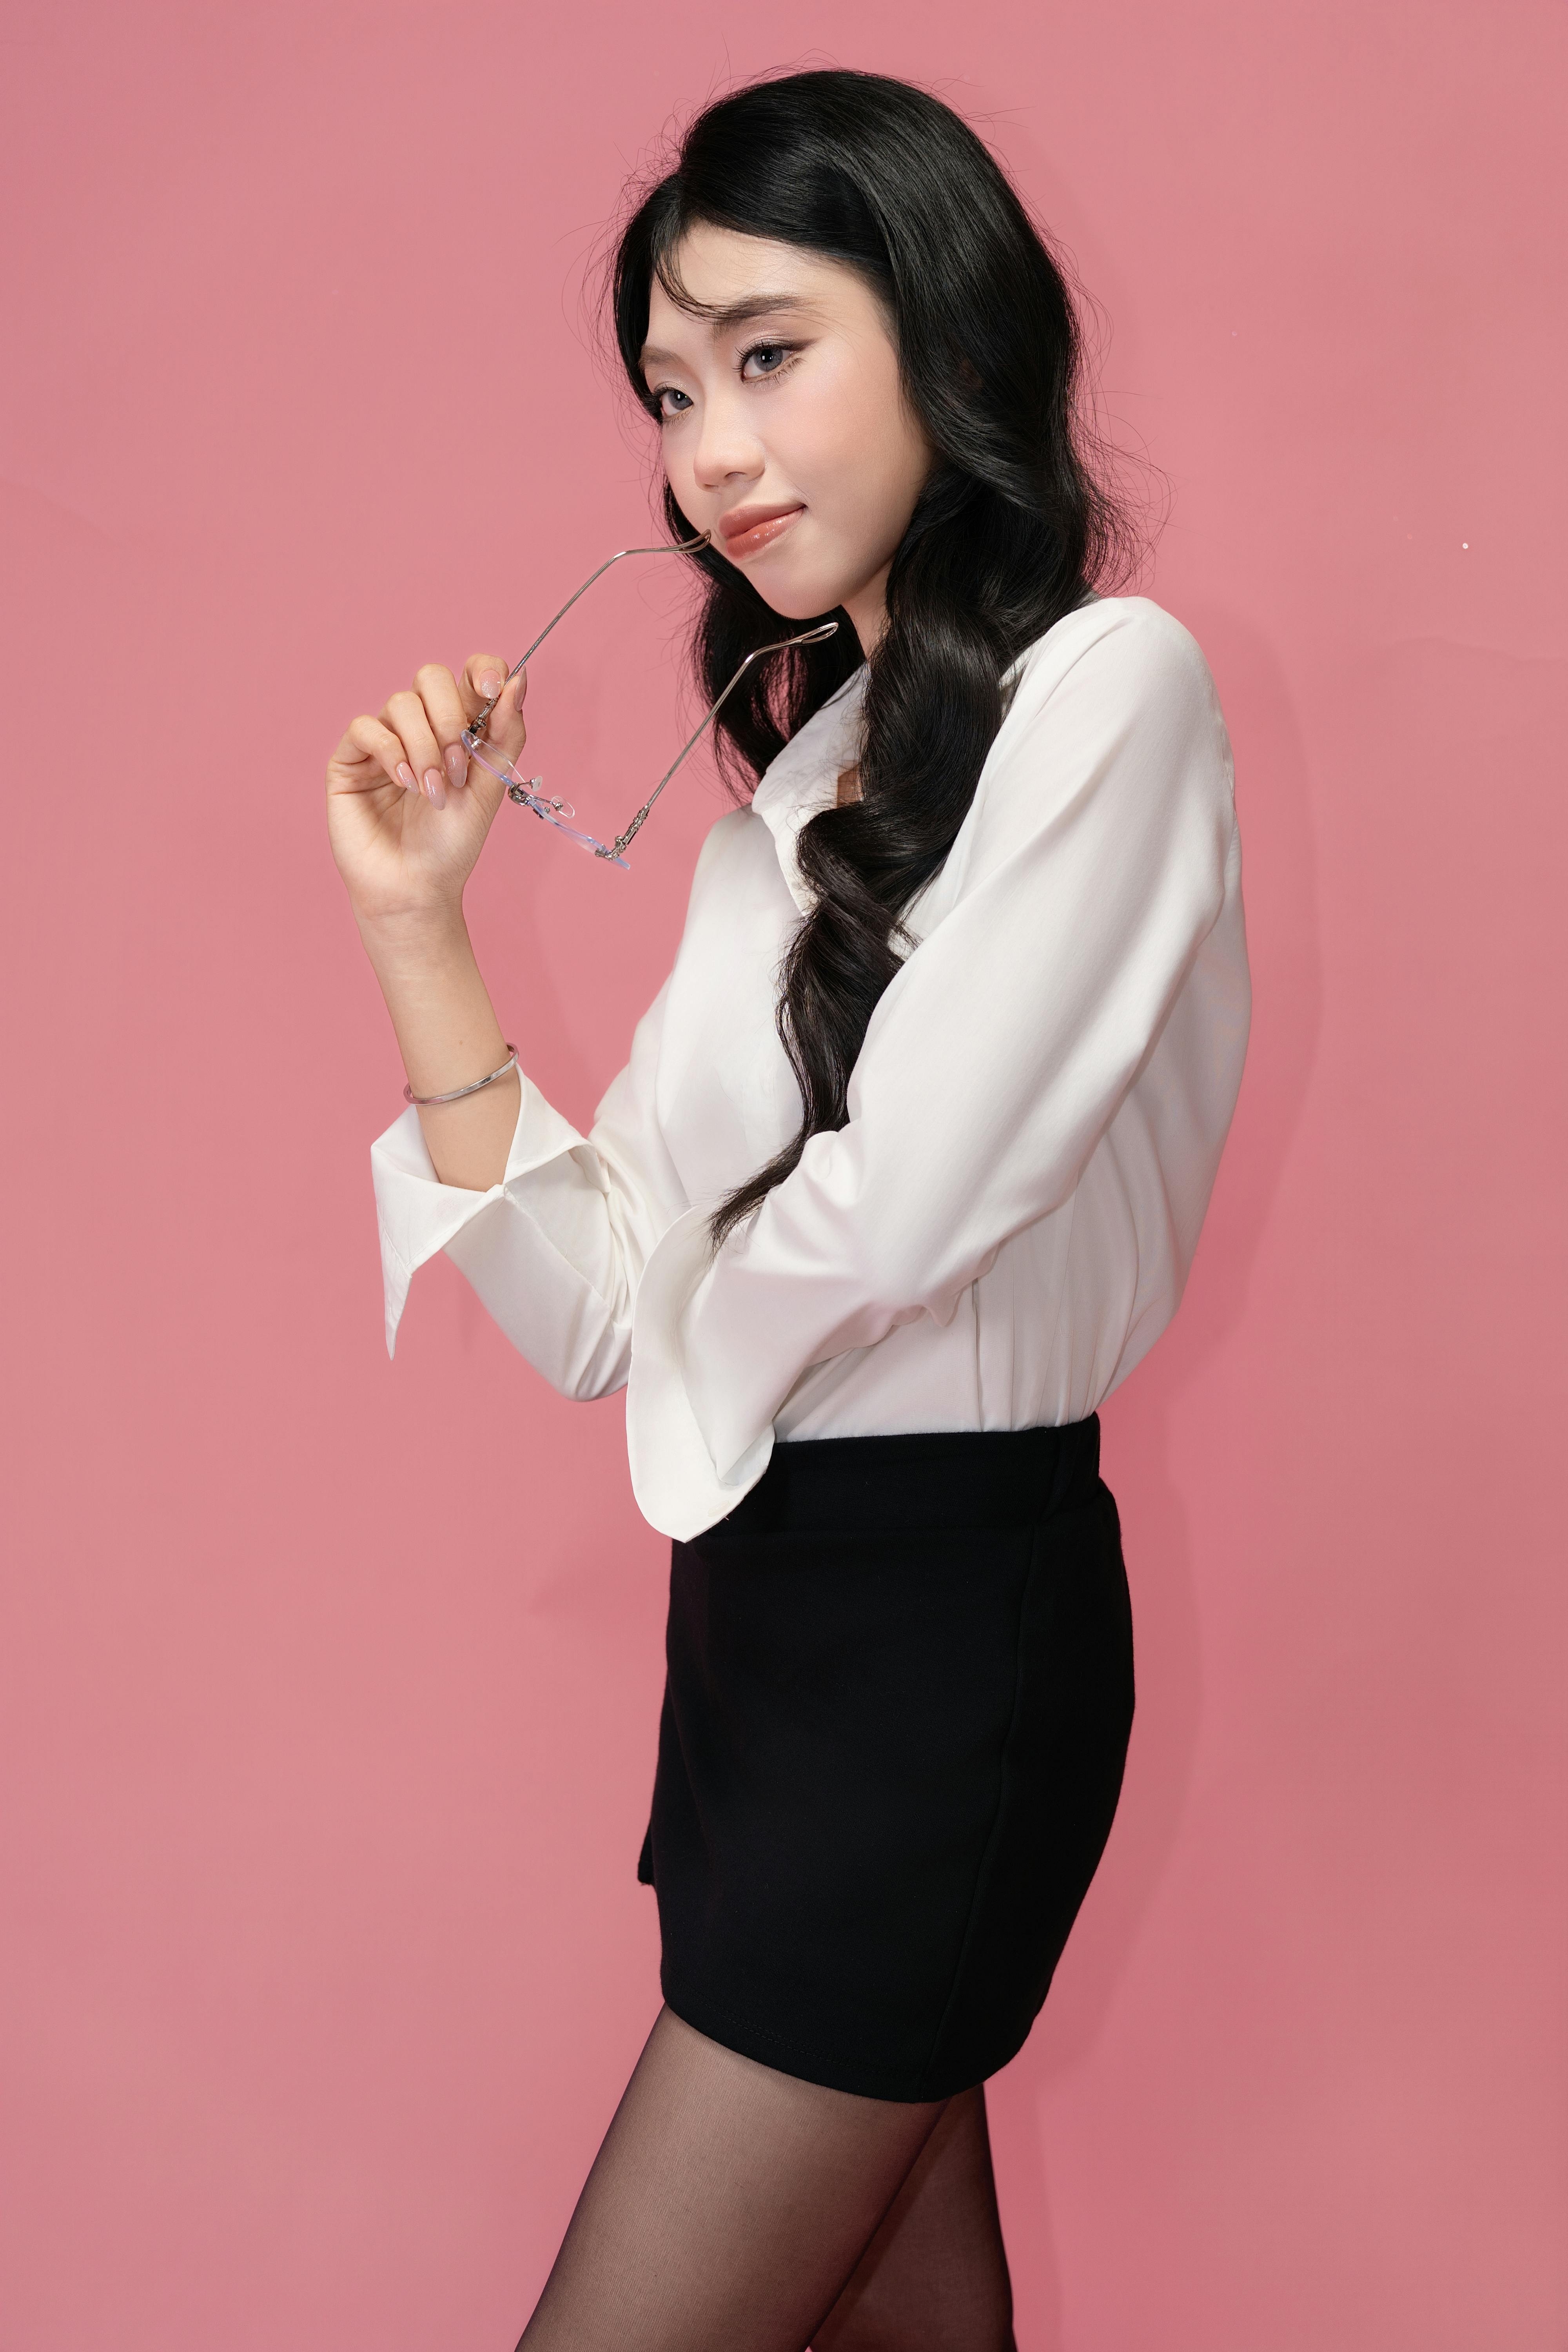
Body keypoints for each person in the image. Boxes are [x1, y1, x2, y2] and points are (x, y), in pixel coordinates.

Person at [325, 67, 1249, 2352]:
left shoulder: (1106, 695)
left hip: (942, 1647)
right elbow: (588, 1311)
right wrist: (423, 934)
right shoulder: (790, 814)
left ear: (944, 326)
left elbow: (913, 1193)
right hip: (769, 1651)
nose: (710, 450)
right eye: (668, 390)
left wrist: (687, 1386)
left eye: (766, 353)